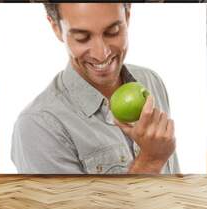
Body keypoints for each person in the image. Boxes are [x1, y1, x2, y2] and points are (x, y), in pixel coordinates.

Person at [11, 3, 180, 174]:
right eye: (82, 37)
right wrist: (150, 162)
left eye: (112, 31)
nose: (102, 54)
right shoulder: (38, 126)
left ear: (127, 16)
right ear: (56, 28)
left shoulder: (151, 81)